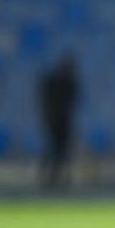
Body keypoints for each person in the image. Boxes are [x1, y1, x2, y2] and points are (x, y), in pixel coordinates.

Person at [38, 55, 80, 191]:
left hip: (57, 121)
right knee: (57, 151)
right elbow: (75, 99)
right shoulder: (64, 82)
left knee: (58, 151)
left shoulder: (53, 82)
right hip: (60, 122)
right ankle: (55, 178)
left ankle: (55, 178)